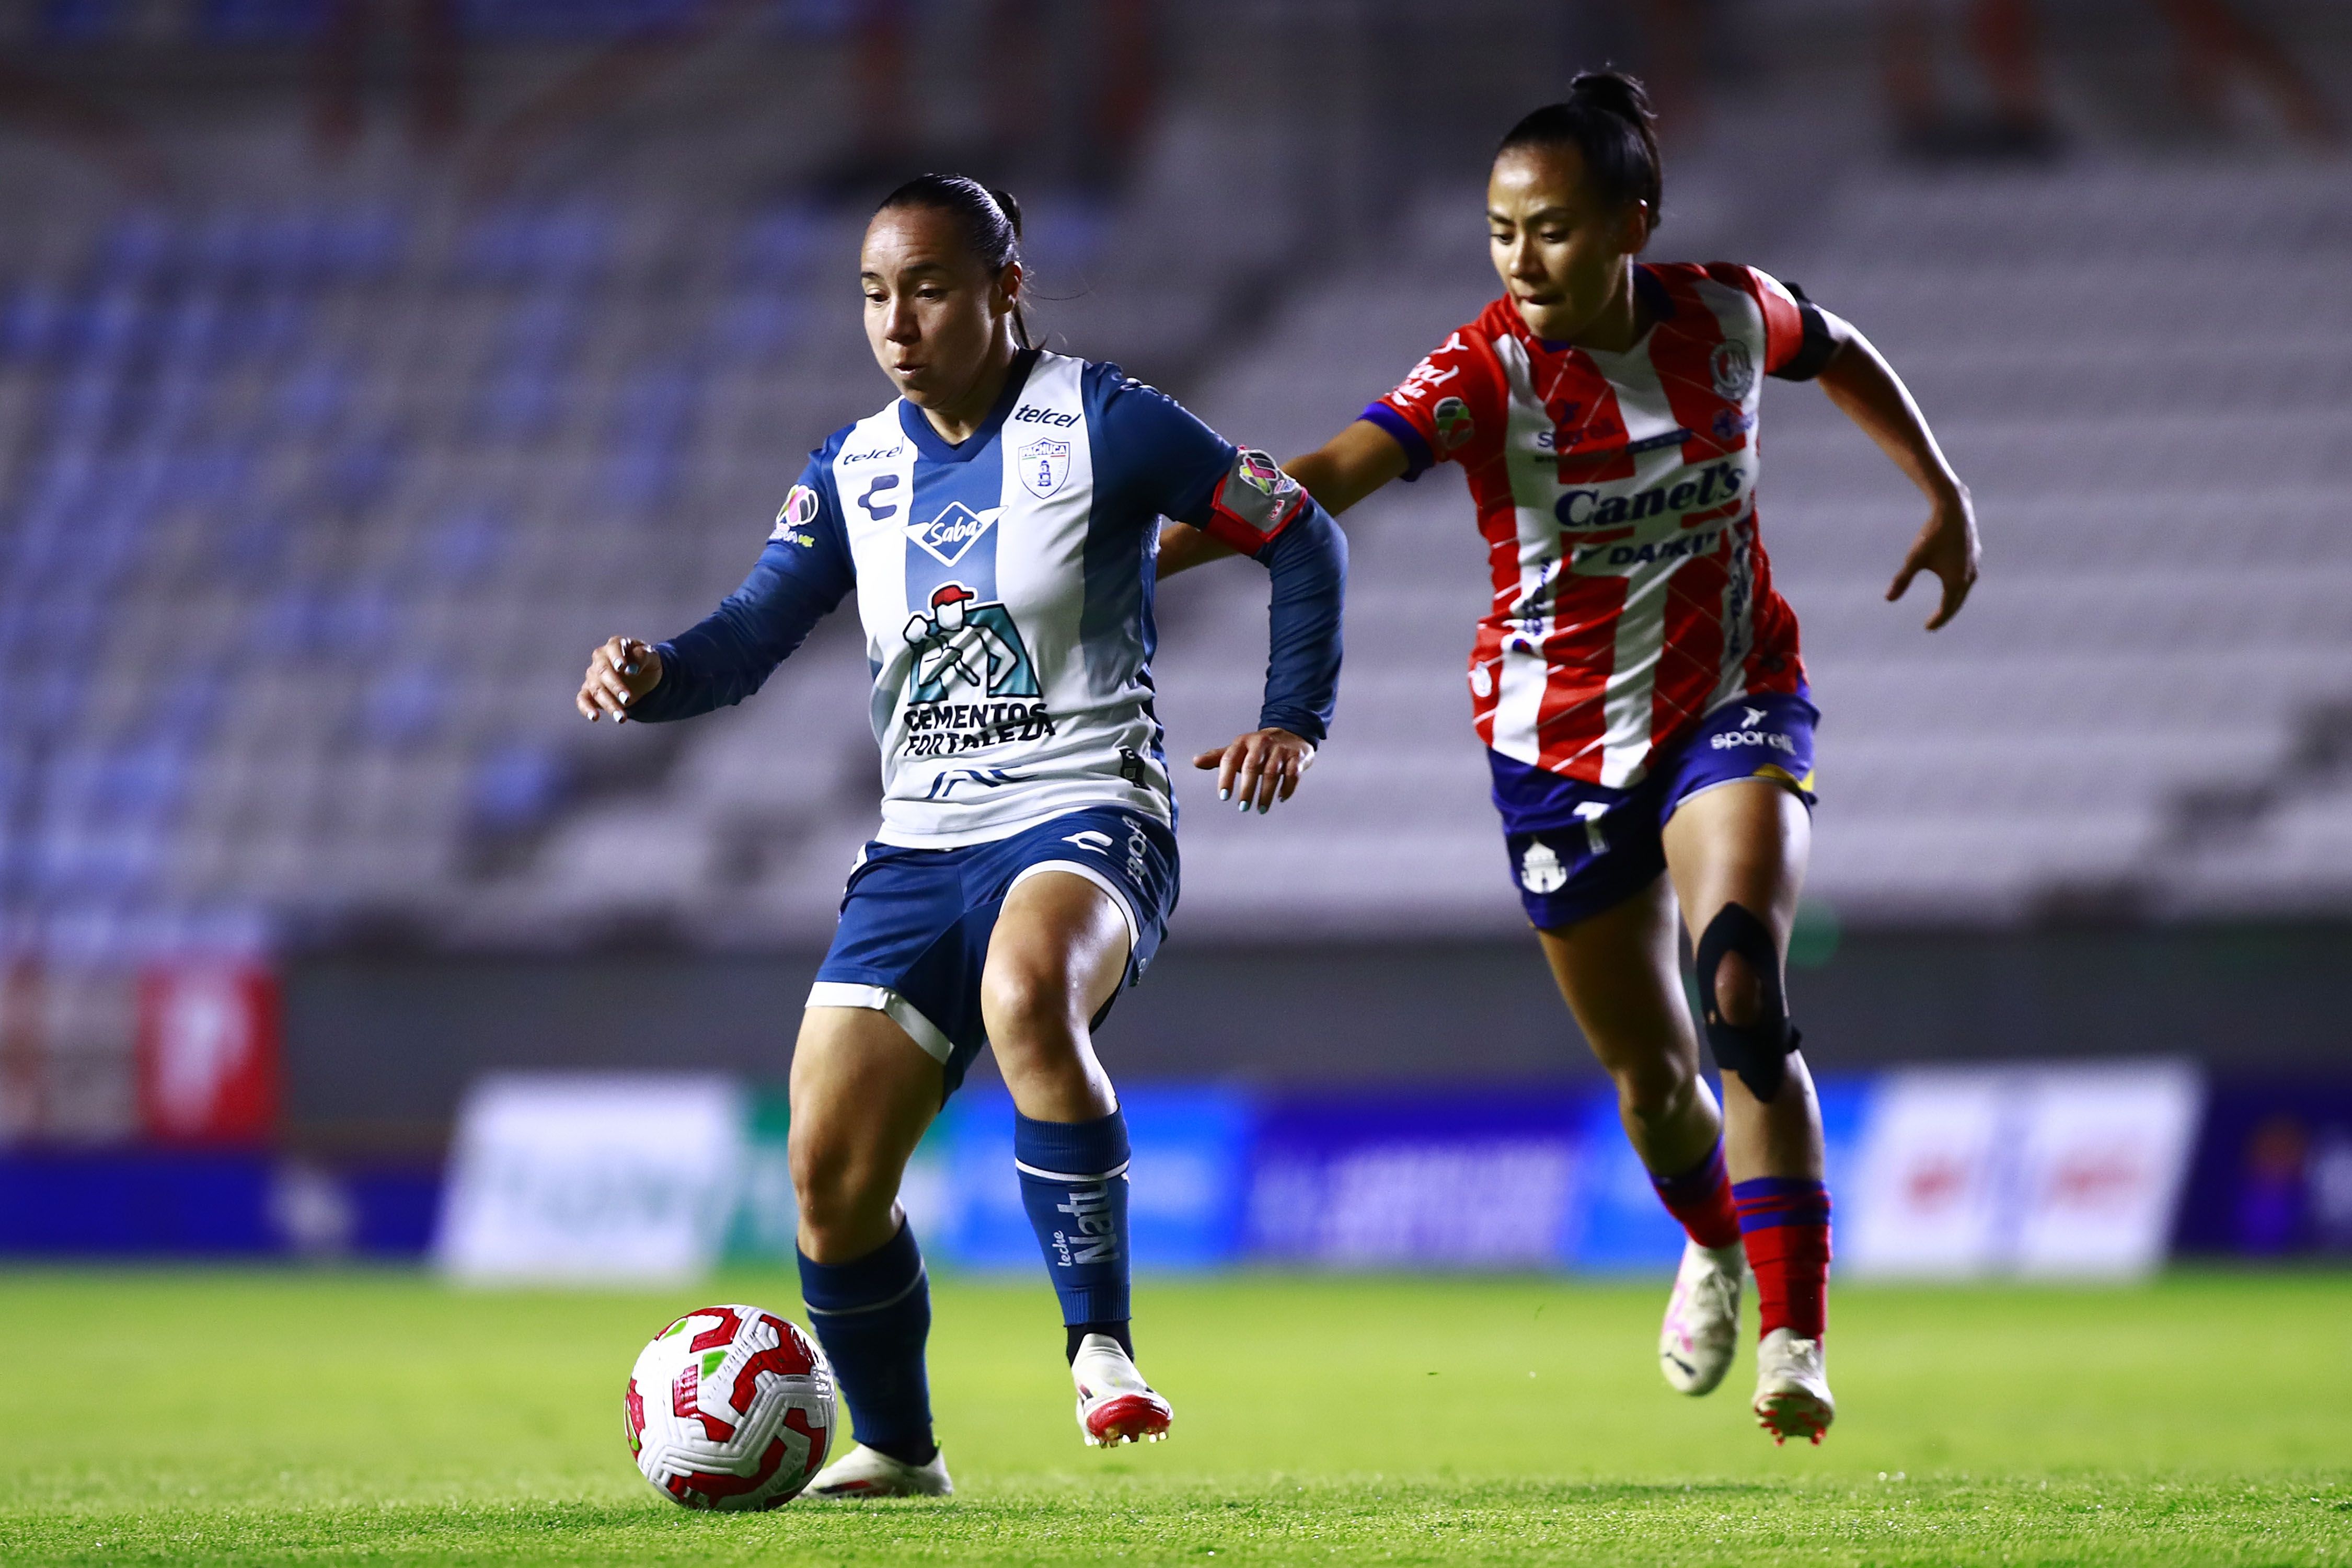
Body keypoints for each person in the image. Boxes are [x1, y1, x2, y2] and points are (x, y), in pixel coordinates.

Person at [1159, 73, 1979, 1446]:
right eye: (1498, 229)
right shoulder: (1487, 370)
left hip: (1732, 695)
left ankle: (1794, 1339)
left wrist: (1940, 491)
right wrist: (1161, 545)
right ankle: (1712, 1239)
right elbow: (1330, 471)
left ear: (1628, 224)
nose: (1517, 260)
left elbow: (1836, 349)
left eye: (1547, 229)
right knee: (1655, 1082)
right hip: (1555, 747)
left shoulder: (1724, 313)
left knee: (1740, 990)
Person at [577, 174, 1346, 1495]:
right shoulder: (852, 469)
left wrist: (1292, 717)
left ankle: (1099, 1347)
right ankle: (896, 1448)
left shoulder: (1107, 421)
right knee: (824, 1171)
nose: (898, 322)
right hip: (918, 851)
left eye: (928, 288)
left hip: (1090, 811)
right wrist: (656, 674)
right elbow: (751, 636)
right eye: (876, 295)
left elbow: (1300, 531)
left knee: (1024, 992)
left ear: (1005, 287)